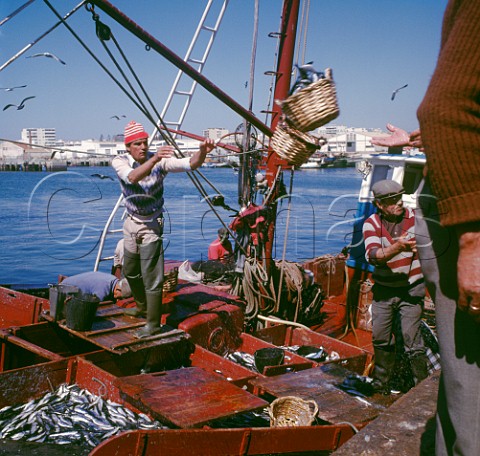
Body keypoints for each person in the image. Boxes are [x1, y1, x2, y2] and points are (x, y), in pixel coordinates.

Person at [112, 120, 215, 337]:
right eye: (138, 144)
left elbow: (190, 164)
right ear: (128, 146)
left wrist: (202, 152)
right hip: (131, 223)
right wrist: (156, 158)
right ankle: (142, 307)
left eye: (145, 143)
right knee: (130, 270)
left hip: (152, 224)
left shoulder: (160, 162)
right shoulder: (119, 161)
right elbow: (132, 177)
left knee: (152, 276)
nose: (143, 147)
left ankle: (153, 324)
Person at [362, 179, 428, 394]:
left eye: (400, 197)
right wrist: (398, 246)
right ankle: (382, 386)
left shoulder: (417, 219)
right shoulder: (371, 223)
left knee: (413, 341)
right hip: (384, 291)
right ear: (379, 204)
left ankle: (421, 389)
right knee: (380, 337)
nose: (399, 203)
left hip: (411, 291)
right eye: (392, 200)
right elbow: (374, 256)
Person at [60, 271, 131, 302]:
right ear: (118, 289)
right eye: (121, 297)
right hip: (64, 290)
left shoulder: (113, 279)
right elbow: (96, 305)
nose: (121, 299)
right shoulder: (103, 289)